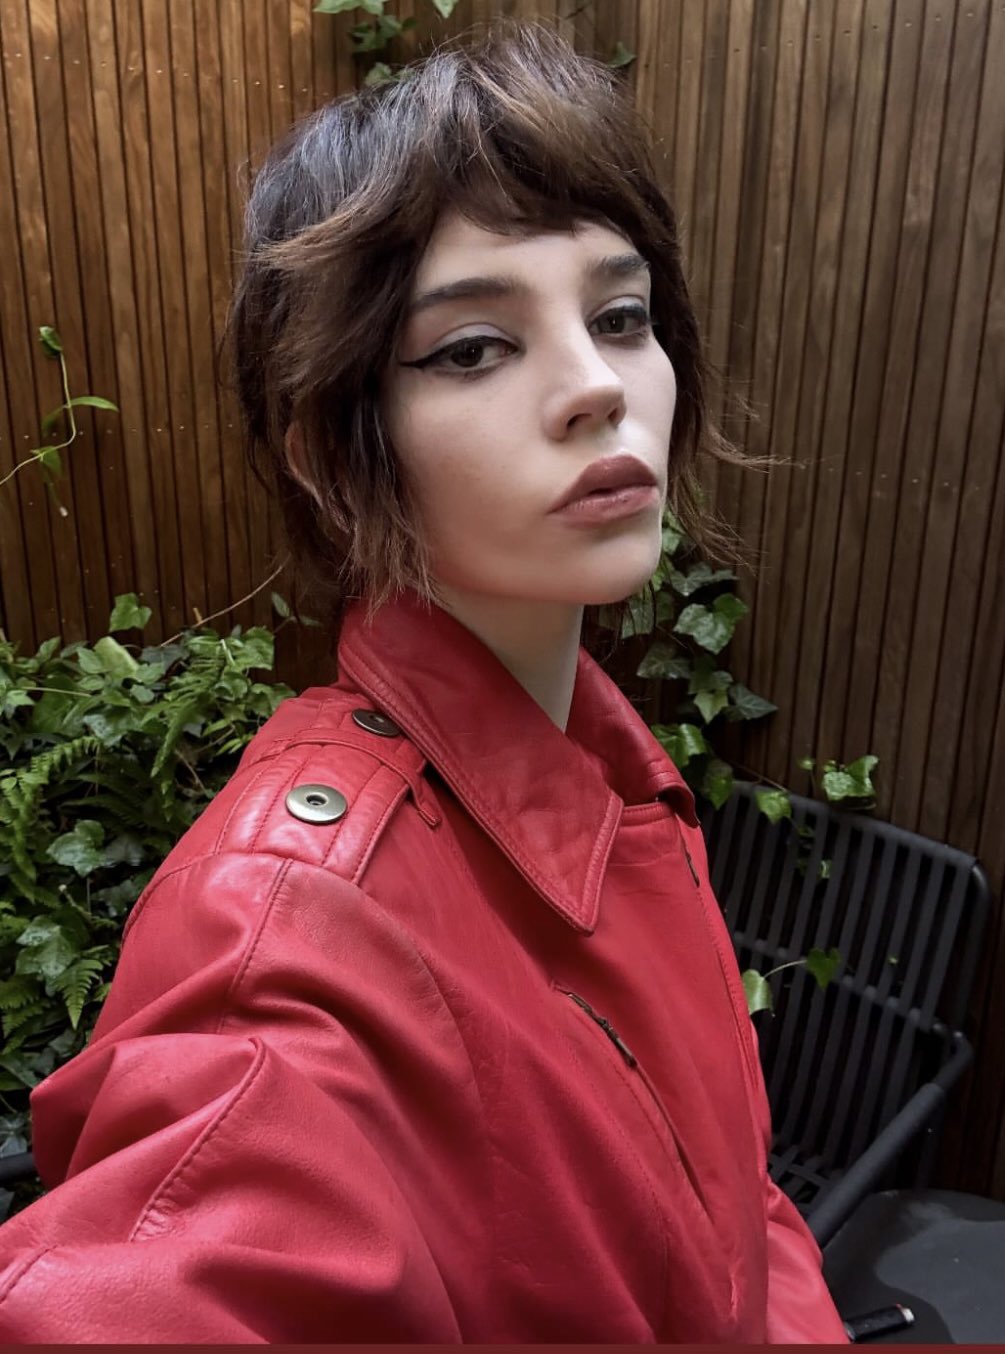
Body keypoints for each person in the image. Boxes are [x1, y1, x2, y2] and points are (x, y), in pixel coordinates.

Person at [0, 22, 847, 1342]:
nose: (596, 388)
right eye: (472, 348)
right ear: (334, 459)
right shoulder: (294, 929)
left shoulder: (621, 782)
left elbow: (739, 1209)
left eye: (620, 317)